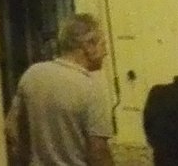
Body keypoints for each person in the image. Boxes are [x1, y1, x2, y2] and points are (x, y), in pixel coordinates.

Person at [7, 14, 115, 166]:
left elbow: (12, 131)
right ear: (88, 45)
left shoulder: (32, 74)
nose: (106, 52)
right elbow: (98, 152)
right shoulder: (91, 89)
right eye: (103, 45)